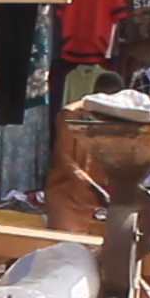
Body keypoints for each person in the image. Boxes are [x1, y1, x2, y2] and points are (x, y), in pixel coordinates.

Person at [44, 70, 125, 232]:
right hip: (66, 197)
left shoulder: (113, 117)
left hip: (95, 203)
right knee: (64, 251)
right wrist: (93, 188)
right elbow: (64, 158)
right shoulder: (71, 114)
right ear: (97, 92)